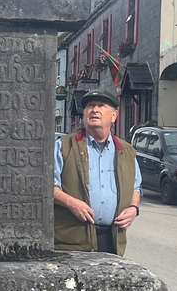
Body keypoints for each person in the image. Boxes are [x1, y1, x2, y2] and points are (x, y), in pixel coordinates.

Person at [54, 88, 142, 256]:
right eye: (90, 106)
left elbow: (136, 188)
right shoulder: (64, 146)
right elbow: (47, 187)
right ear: (84, 114)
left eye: (101, 106)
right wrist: (72, 203)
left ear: (114, 116)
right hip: (71, 240)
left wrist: (133, 208)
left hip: (112, 241)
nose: (94, 110)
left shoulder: (127, 151)